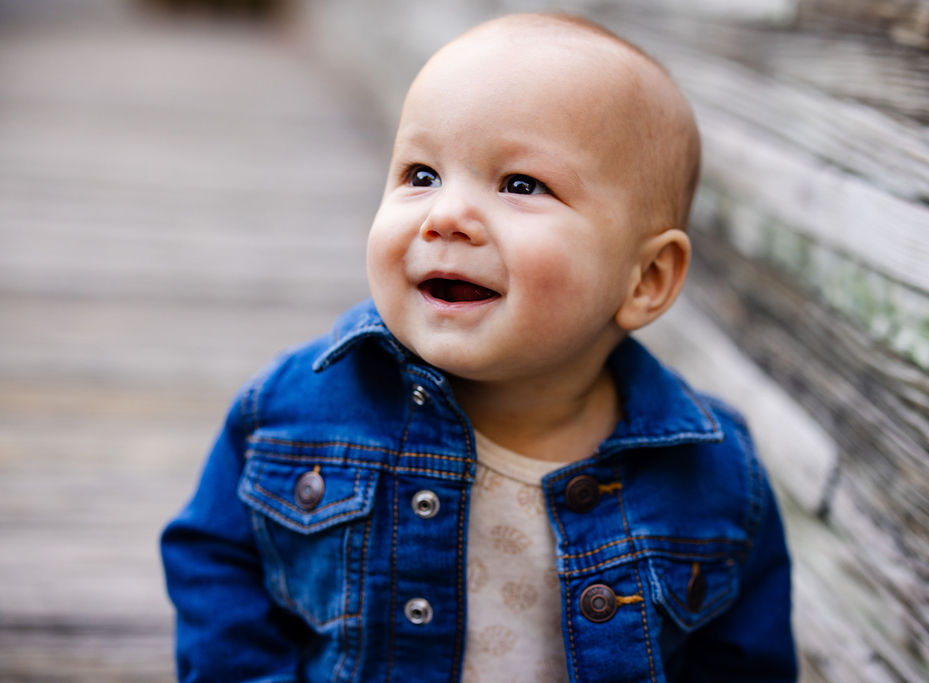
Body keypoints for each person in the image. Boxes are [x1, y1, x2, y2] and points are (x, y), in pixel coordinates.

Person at [161, 12, 796, 682]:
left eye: (521, 185)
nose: (445, 216)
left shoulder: (713, 477)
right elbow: (214, 560)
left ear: (646, 279)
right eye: (421, 175)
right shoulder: (296, 410)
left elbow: (744, 662)